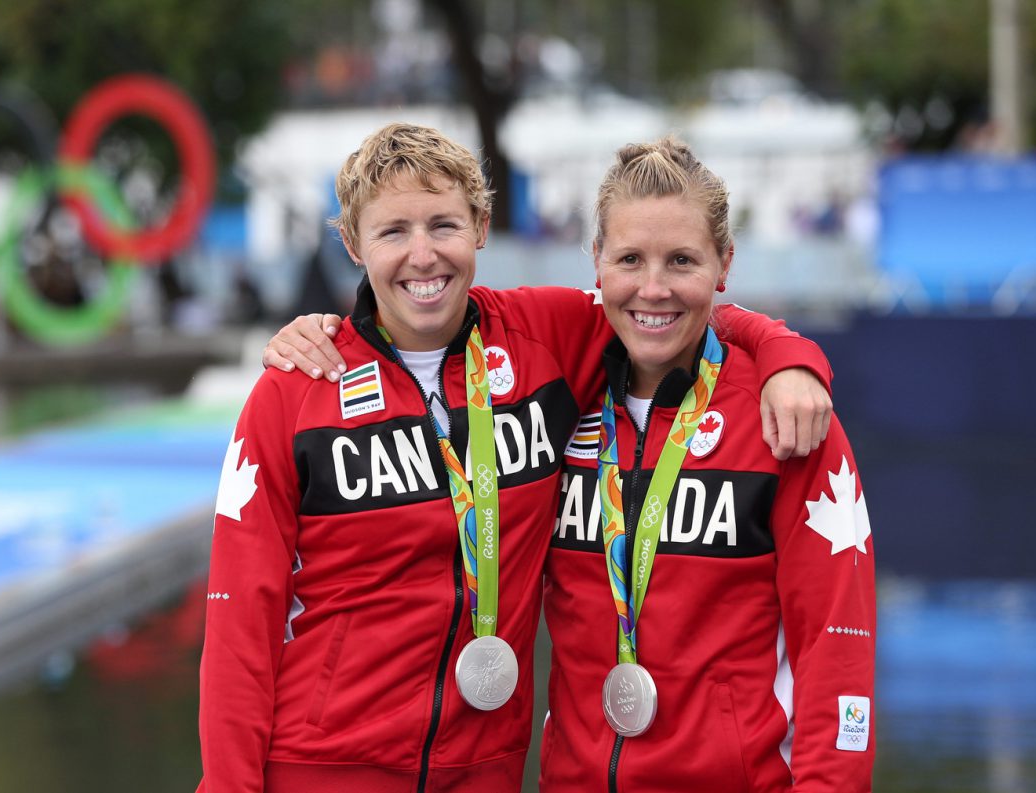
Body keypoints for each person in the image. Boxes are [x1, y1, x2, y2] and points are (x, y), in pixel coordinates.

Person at [201, 122, 832, 793]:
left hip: (483, 770)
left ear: (481, 225)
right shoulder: (296, 390)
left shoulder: (546, 338)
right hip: (321, 770)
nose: (422, 255)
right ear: (354, 244)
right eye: (393, 232)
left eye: (443, 224)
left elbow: (667, 305)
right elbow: (241, 622)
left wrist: (788, 356)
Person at [541, 136, 875, 791]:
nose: (654, 288)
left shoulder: (786, 418)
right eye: (630, 258)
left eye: (682, 261)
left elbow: (835, 639)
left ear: (724, 264)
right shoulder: (556, 399)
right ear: (597, 262)